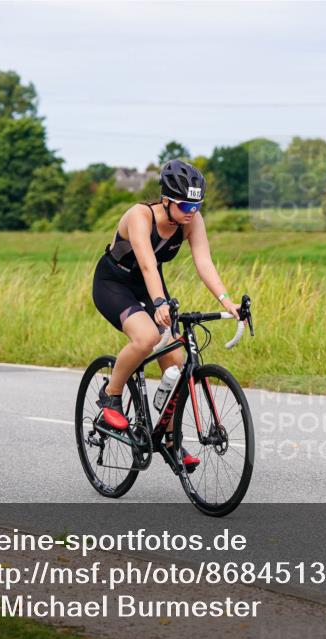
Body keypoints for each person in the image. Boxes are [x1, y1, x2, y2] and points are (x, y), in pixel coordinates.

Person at [91, 159, 241, 472]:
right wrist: (159, 302)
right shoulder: (139, 215)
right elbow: (146, 263)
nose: (191, 212)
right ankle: (111, 397)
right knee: (146, 337)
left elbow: (204, 263)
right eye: (186, 205)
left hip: (149, 286)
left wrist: (227, 301)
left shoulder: (191, 221)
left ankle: (170, 441)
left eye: (197, 205)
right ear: (167, 199)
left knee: (177, 362)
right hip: (114, 283)